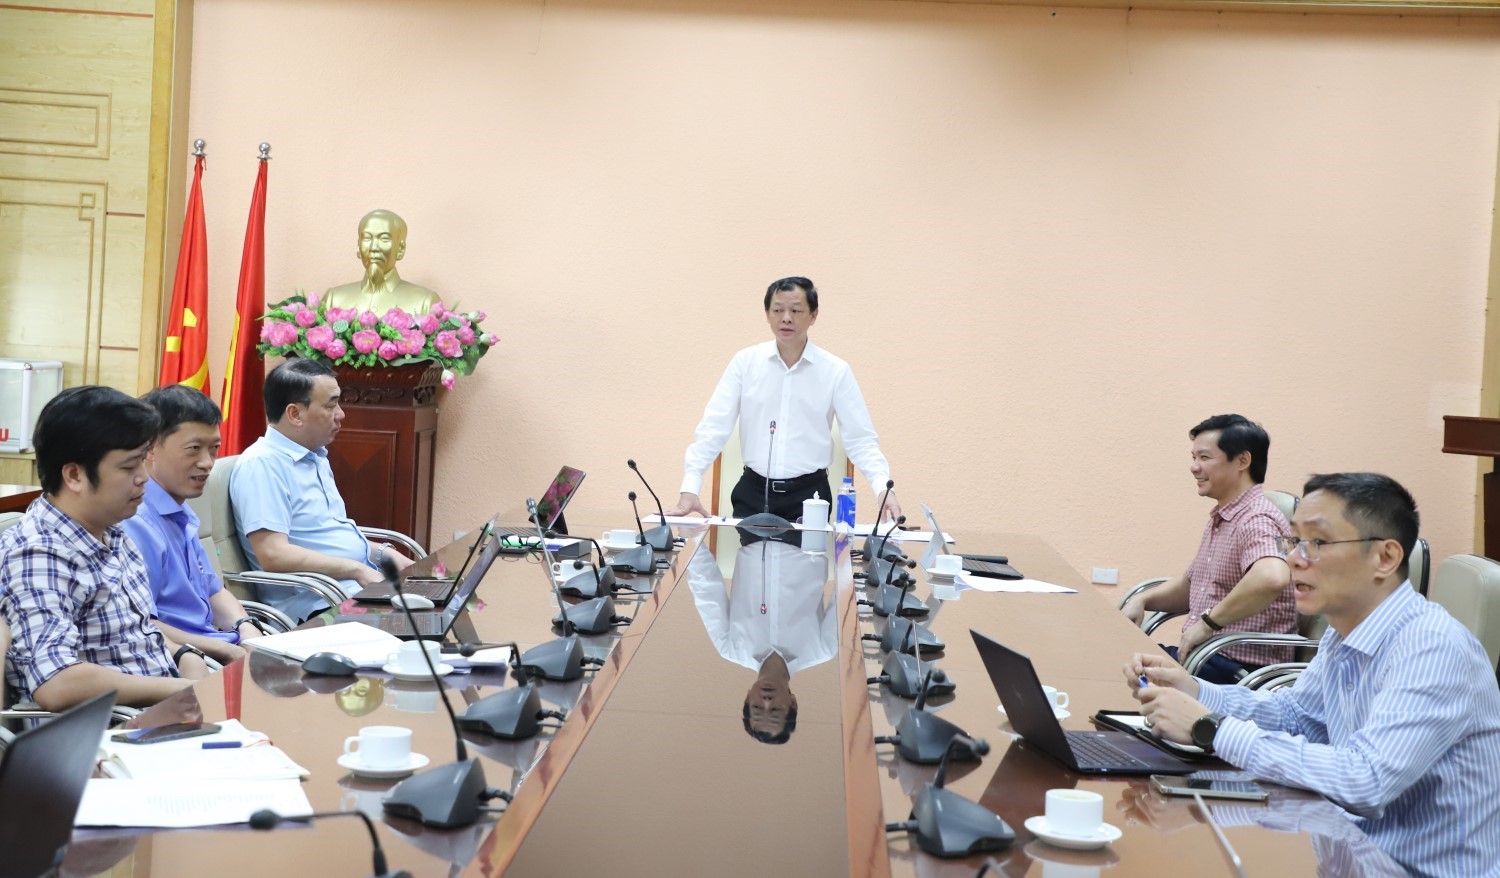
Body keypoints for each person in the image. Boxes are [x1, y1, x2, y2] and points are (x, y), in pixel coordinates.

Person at [1126, 473, 1500, 878]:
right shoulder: (1345, 632)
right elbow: (1298, 717)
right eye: (1293, 541)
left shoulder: (1432, 648)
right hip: (1350, 853)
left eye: (1317, 543)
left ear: (1385, 558)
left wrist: (1210, 728)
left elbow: (1366, 780)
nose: (1293, 559)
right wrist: (1197, 691)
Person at [0, 387, 206, 711]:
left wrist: (186, 655)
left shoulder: (112, 530)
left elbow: (133, 633)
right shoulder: (39, 553)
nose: (143, 478)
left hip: (165, 707)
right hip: (114, 730)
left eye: (143, 461)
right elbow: (56, 682)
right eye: (129, 467)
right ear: (75, 475)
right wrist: (183, 689)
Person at [665, 276, 900, 523]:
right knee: (752, 550)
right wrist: (690, 487)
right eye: (777, 310)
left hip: (811, 495)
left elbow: (860, 439)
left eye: (796, 310)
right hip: (753, 491)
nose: (786, 318)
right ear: (767, 314)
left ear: (814, 315)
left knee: (810, 550)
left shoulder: (835, 371)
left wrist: (883, 488)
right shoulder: (745, 363)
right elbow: (713, 427)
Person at [230, 358, 413, 620]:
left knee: (440, 600)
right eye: (331, 405)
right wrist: (356, 569)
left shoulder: (313, 456)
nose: (341, 414)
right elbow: (273, 554)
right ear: (295, 414)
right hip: (318, 604)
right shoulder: (263, 465)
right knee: (420, 623)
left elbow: (326, 536)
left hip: (350, 588)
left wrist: (385, 554)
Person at [1120, 414, 1294, 684]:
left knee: (1119, 667)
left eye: (1204, 457)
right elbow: (1192, 587)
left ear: (1242, 461)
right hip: (1206, 658)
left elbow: (1272, 577)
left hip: (1236, 669)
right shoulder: (1225, 517)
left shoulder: (1258, 518)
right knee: (1118, 657)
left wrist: (1208, 623)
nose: (1194, 467)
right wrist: (1142, 600)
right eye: (1194, 457)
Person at [120, 386, 264, 665]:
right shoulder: (134, 520)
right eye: (193, 450)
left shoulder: (181, 509)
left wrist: (246, 627)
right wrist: (224, 650)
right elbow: (142, 623)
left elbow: (213, 591)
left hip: (216, 646)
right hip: (181, 660)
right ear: (150, 448)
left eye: (214, 449)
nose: (207, 463)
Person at [685, 535, 836, 744]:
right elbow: (846, 592)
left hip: (753, 531)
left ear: (748, 698)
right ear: (793, 703)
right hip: (804, 534)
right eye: (775, 710)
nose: (766, 700)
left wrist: (691, 537)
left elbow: (706, 590)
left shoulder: (729, 647)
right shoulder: (823, 649)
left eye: (757, 707)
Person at [322, 209, 441, 316]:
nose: (374, 247)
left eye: (384, 239)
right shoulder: (333, 300)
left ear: (400, 249)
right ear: (358, 246)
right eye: (367, 238)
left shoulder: (425, 302)